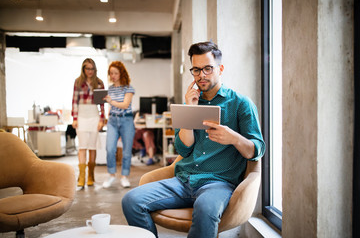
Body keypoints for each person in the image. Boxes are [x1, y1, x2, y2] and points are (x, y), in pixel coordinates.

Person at [121, 41, 266, 238]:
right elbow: (183, 150)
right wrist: (189, 109)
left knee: (206, 209)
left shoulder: (241, 104)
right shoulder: (190, 102)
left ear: (220, 68)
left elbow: (257, 150)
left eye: (207, 68)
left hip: (218, 183)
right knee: (131, 200)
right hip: (183, 181)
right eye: (196, 70)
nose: (201, 75)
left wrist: (233, 138)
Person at [71, 58, 105, 187]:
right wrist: (74, 118)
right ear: (83, 69)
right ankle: (82, 176)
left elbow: (102, 103)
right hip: (81, 116)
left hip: (94, 117)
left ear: (95, 69)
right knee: (82, 147)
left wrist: (102, 119)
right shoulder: (78, 82)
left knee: (92, 147)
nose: (90, 71)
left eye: (92, 69)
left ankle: (91, 175)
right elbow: (74, 101)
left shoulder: (99, 83)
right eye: (87, 68)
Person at [102, 61, 135, 188]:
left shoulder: (128, 88)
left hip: (126, 120)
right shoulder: (110, 89)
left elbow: (125, 104)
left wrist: (111, 101)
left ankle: (124, 176)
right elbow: (111, 106)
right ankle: (111, 175)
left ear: (121, 73)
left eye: (116, 73)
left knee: (126, 151)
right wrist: (107, 116)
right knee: (110, 149)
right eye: (111, 73)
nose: (113, 75)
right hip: (112, 121)